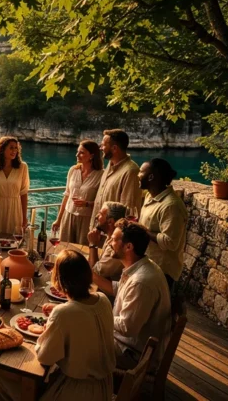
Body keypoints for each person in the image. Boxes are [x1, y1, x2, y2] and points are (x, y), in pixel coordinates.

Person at [0, 250, 115, 401]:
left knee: (1, 377)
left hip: (74, 392)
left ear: (59, 279)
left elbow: (45, 358)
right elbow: (82, 317)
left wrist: (48, 330)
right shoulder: (103, 300)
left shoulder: (63, 314)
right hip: (104, 388)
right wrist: (60, 310)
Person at [91, 220, 172, 371]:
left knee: (77, 339)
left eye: (114, 239)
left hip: (132, 356)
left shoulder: (141, 282)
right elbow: (120, 290)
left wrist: (96, 314)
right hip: (129, 345)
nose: (109, 242)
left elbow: (127, 328)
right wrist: (92, 276)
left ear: (128, 247)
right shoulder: (142, 266)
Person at [138, 158, 189, 291]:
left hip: (162, 271)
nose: (137, 175)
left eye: (140, 172)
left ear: (151, 177)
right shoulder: (150, 195)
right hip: (148, 264)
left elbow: (170, 242)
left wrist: (143, 231)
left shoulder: (171, 206)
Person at [52, 140, 104, 245]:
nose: (77, 155)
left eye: (81, 152)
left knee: (82, 250)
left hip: (87, 220)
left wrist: (87, 203)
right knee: (64, 248)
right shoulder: (73, 170)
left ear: (91, 155)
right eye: (77, 151)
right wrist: (58, 219)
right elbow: (66, 195)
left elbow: (102, 202)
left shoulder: (101, 175)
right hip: (68, 216)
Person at [89, 129, 143, 230]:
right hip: (98, 228)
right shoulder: (110, 164)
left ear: (114, 148)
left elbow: (128, 209)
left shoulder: (131, 171)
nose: (101, 148)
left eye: (103, 145)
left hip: (111, 234)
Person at [0, 136, 30, 237]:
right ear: (2, 149)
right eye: (11, 148)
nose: (14, 151)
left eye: (16, 148)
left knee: (14, 240)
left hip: (15, 208)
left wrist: (24, 218)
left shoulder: (22, 167)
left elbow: (24, 193)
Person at [86, 202, 128, 282]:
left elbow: (95, 272)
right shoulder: (109, 236)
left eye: (100, 214)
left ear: (110, 222)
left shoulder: (115, 246)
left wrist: (93, 245)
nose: (97, 217)